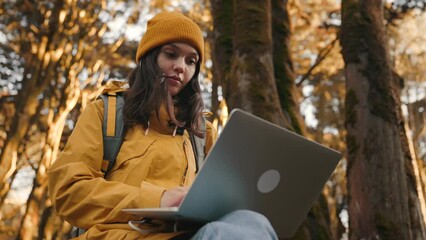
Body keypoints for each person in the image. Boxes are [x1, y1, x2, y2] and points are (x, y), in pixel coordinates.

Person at [48, 11, 278, 240]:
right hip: (117, 236)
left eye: (191, 61)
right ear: (150, 57)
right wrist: (160, 199)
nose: (181, 67)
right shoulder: (105, 114)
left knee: (254, 222)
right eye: (171, 54)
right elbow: (69, 192)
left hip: (191, 235)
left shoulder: (202, 134)